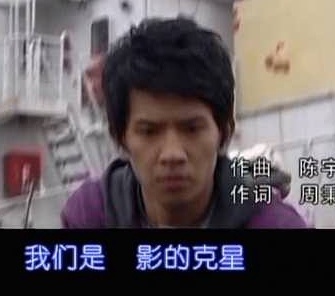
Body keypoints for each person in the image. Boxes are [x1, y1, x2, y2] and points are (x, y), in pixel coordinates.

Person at [61, 17, 307, 228]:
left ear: (224, 132)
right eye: (149, 132)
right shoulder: (91, 214)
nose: (172, 154)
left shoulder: (274, 224)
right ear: (120, 138)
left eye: (191, 129)